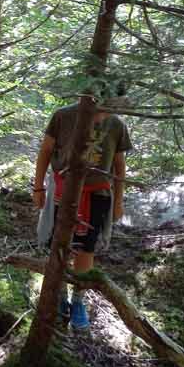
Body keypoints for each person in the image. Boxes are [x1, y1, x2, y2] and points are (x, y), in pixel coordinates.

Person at [32, 89, 132, 331]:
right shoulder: (63, 116)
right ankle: (58, 295)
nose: (102, 113)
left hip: (97, 193)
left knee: (86, 248)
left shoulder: (117, 125)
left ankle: (78, 299)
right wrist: (38, 188)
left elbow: (119, 165)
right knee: (58, 243)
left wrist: (119, 202)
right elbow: (46, 151)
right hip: (62, 191)